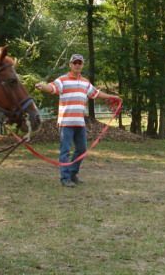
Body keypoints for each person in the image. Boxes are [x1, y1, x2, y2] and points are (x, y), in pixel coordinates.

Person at [35, 54, 121, 187]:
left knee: (81, 149)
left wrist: (111, 96)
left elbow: (96, 93)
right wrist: (43, 86)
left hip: (80, 123)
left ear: (82, 65)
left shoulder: (85, 82)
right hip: (66, 123)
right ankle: (65, 179)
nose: (77, 65)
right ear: (70, 65)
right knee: (65, 151)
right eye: (75, 62)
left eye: (79, 63)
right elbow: (52, 88)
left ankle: (73, 174)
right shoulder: (62, 80)